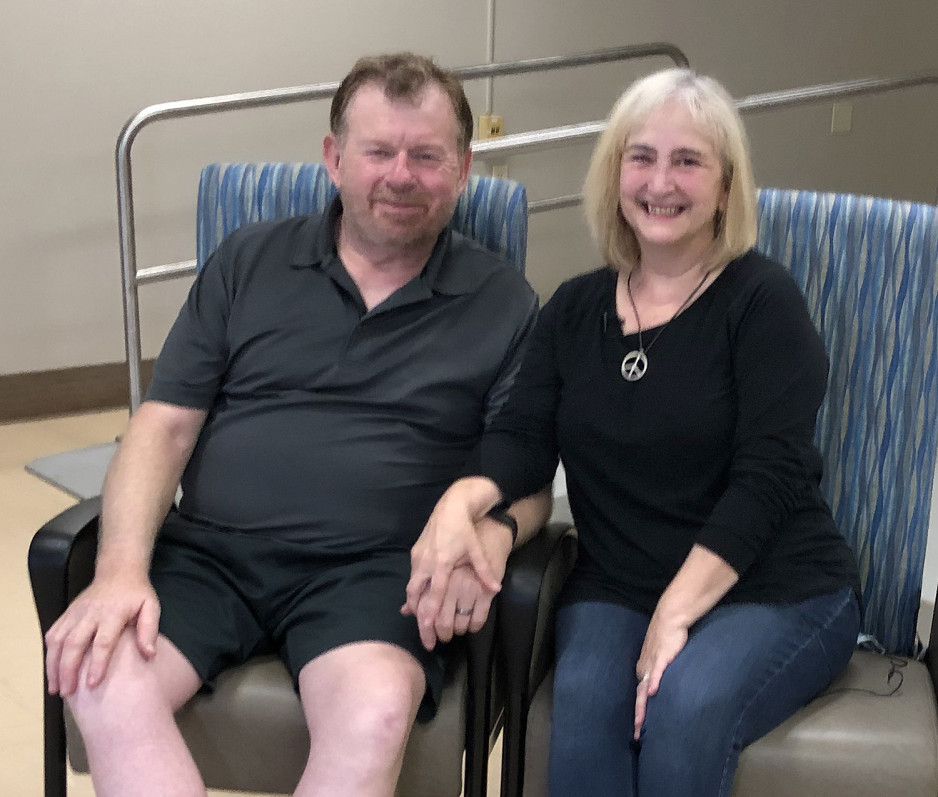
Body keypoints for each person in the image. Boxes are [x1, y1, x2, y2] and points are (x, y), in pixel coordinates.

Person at [43, 52, 551, 797]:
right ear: (333, 157)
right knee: (102, 679)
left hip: (379, 571)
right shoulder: (246, 262)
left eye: (426, 156)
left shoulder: (506, 302)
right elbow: (164, 426)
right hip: (211, 554)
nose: (400, 175)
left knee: (375, 712)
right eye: (377, 151)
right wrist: (119, 567)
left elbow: (527, 475)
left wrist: (494, 533)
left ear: (465, 166)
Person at [405, 68, 861, 797]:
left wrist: (675, 616)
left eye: (688, 161)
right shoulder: (574, 308)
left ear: (725, 185)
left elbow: (771, 476)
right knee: (583, 715)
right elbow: (524, 437)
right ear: (615, 172)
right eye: (641, 156)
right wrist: (462, 502)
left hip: (771, 585)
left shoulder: (762, 302)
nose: (661, 181)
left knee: (685, 707)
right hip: (617, 581)